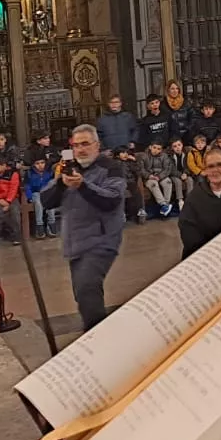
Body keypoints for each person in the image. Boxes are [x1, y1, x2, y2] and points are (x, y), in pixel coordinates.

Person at [38, 124, 126, 333]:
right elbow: (46, 200)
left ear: (97, 145)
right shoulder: (69, 168)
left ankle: (98, 338)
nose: (81, 149)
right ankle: (97, 333)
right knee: (83, 294)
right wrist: (61, 183)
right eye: (76, 145)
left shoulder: (111, 167)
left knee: (87, 288)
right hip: (74, 242)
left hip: (101, 240)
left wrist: (83, 185)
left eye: (85, 144)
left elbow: (112, 200)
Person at [140, 139, 179, 218]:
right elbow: (140, 169)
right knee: (153, 184)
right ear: (150, 147)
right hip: (149, 177)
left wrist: (159, 176)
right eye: (154, 148)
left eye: (158, 149)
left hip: (160, 175)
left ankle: (166, 206)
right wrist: (148, 176)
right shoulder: (143, 156)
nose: (156, 150)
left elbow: (167, 169)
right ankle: (164, 205)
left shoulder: (164, 156)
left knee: (168, 182)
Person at [25, 155, 56, 238]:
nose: (40, 165)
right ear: (33, 165)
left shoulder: (49, 172)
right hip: (36, 192)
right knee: (38, 203)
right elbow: (27, 186)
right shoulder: (29, 173)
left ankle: (51, 223)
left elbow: (52, 184)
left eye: (42, 163)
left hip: (47, 192)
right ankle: (39, 226)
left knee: (51, 201)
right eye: (37, 163)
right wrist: (29, 197)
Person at [164, 79, 192, 143]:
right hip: (171, 139)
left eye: (177, 88)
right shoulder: (163, 105)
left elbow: (193, 117)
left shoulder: (186, 102)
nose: (175, 91)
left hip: (186, 136)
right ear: (168, 90)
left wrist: (188, 128)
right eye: (172, 89)